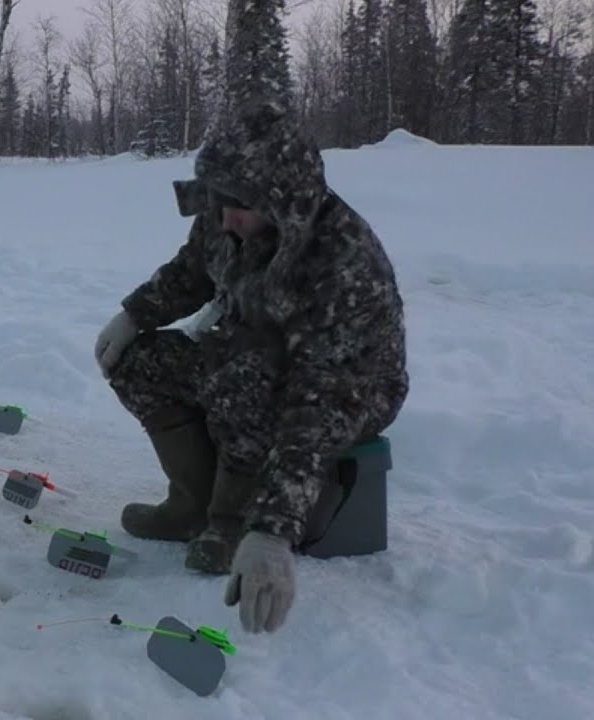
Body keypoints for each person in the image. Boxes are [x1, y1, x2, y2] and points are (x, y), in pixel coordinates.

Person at [93, 100, 409, 634]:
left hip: (352, 387)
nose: (224, 219)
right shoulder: (229, 207)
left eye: (238, 207)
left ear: (281, 198)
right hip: (251, 352)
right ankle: (192, 506)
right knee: (141, 363)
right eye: (219, 203)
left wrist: (273, 529)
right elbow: (193, 270)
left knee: (239, 380)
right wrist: (134, 316)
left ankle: (234, 523)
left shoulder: (343, 260)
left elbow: (318, 403)